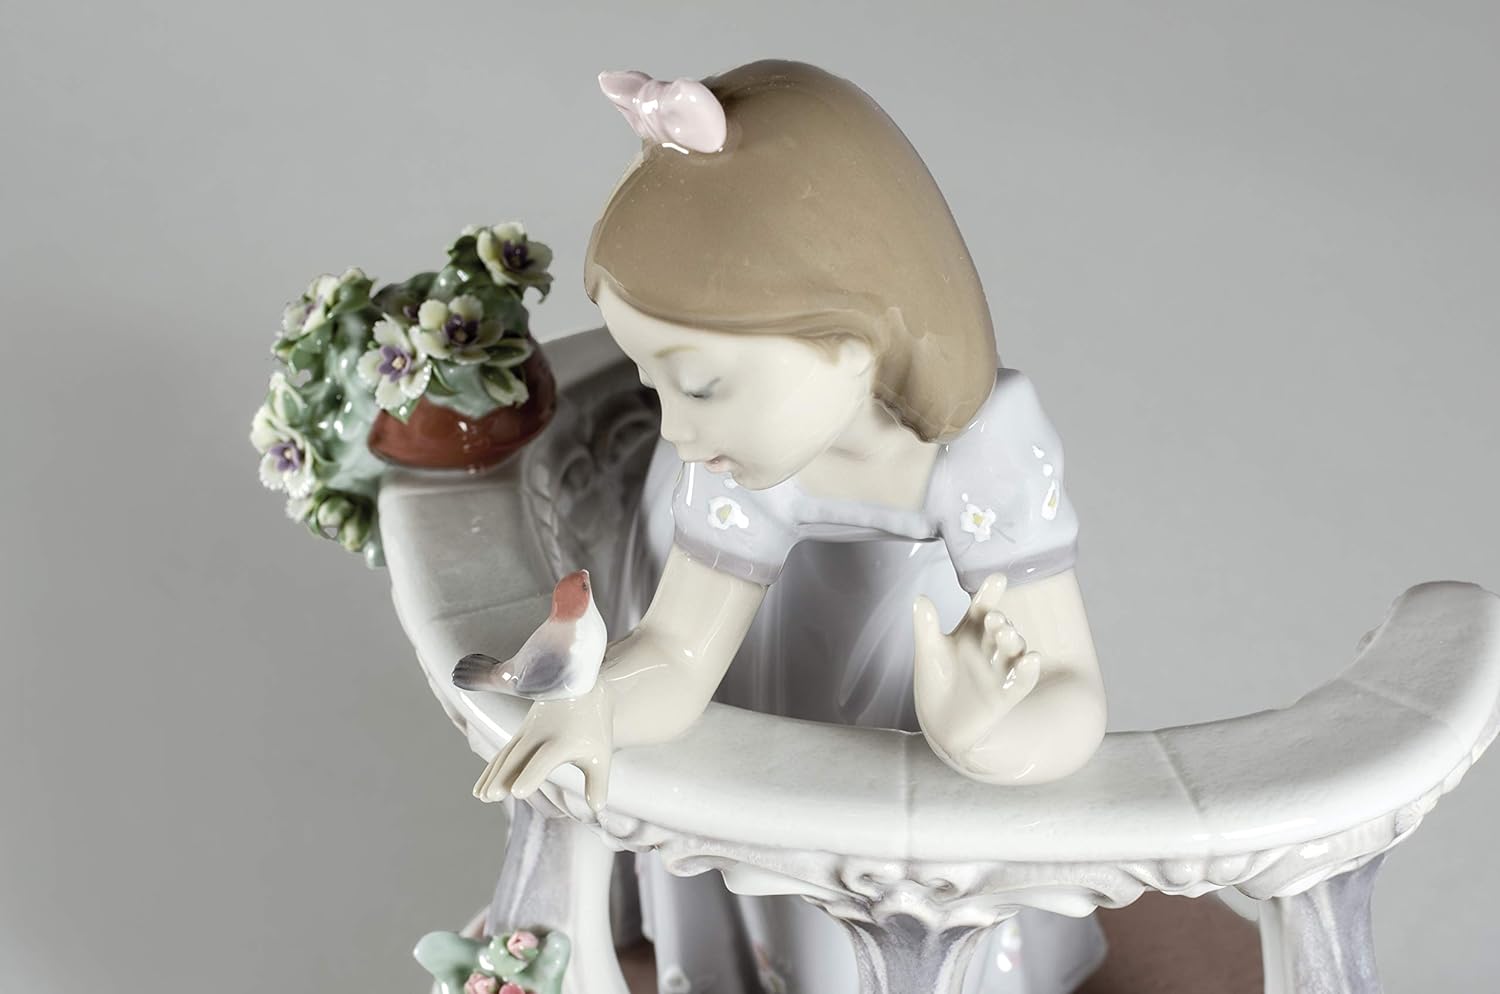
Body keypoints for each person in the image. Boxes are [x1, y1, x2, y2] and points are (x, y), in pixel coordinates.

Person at [481, 60, 1108, 994]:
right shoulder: (736, 463)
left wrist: (987, 735)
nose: (675, 430)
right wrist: (601, 701)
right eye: (655, 385)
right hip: (780, 683)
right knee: (785, 873)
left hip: (922, 705)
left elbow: (1073, 693)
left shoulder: (985, 453)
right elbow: (681, 652)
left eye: (701, 386)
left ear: (848, 344)